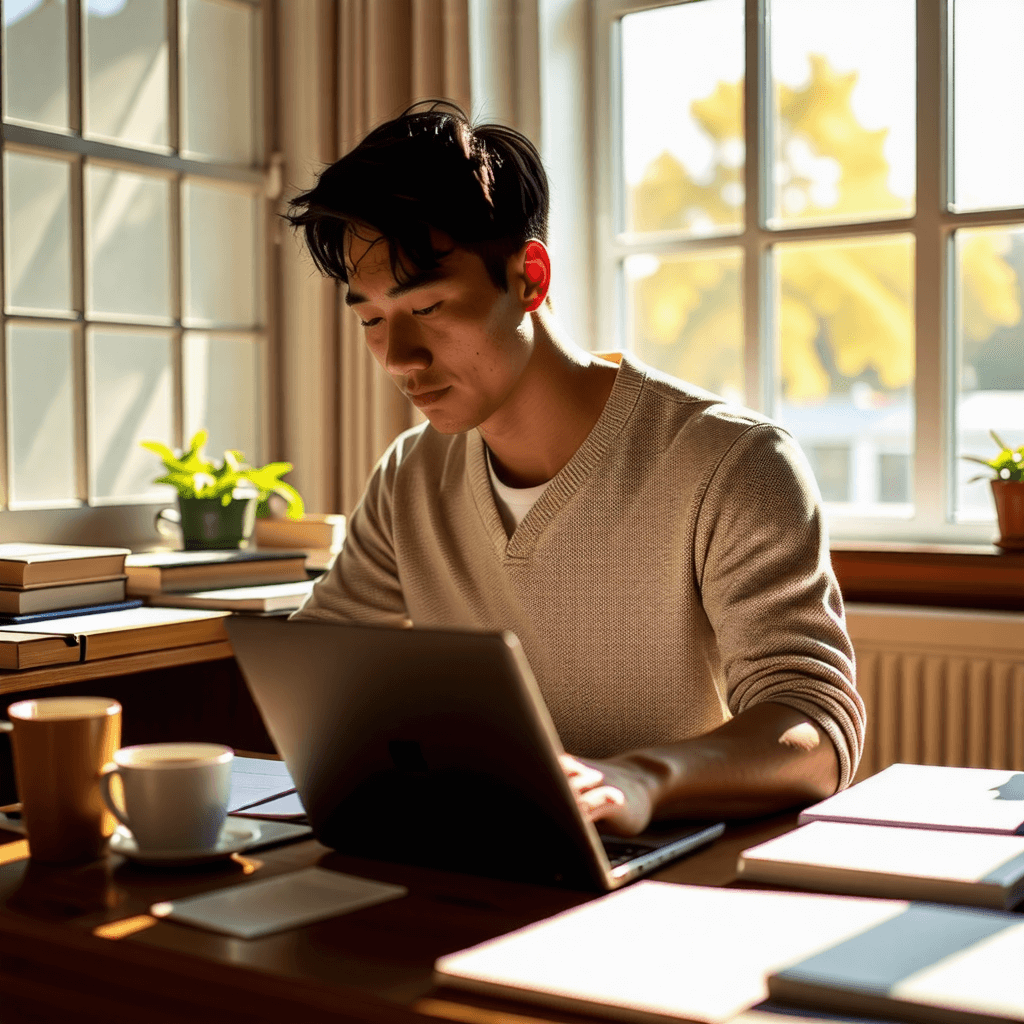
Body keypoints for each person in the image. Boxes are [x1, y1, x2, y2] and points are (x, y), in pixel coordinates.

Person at [286, 101, 865, 837]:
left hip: (670, 864)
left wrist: (638, 779)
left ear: (528, 278)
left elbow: (816, 728)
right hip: (483, 851)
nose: (399, 358)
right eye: (370, 319)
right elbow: (310, 672)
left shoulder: (734, 460)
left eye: (427, 307)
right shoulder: (410, 476)